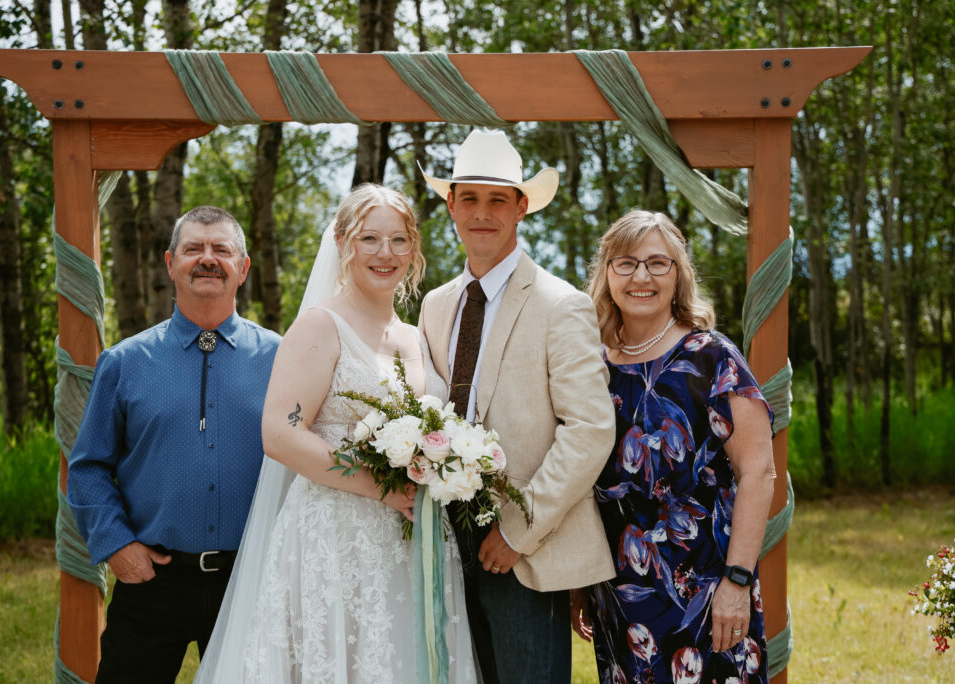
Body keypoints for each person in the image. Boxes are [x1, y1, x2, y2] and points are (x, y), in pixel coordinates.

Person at [194, 183, 478, 683]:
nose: (385, 253)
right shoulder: (319, 326)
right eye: (370, 239)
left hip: (413, 538)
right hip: (334, 538)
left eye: (399, 240)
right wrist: (382, 488)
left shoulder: (416, 336)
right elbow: (280, 434)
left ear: (414, 249)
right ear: (344, 243)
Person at [418, 129, 618, 683]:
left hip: (525, 551)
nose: (482, 214)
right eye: (470, 199)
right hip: (443, 545)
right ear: (451, 205)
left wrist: (516, 531)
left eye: (498, 199)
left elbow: (590, 430)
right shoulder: (436, 306)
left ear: (522, 207)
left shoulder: (562, 305)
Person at [67, 206, 281, 683]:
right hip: (150, 581)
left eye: (221, 250)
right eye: (194, 249)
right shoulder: (124, 362)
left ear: (242, 268)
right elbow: (88, 467)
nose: (208, 259)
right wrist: (117, 545)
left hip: (248, 583)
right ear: (170, 263)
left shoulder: (281, 359)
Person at [573, 210, 777, 683]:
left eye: (657, 263)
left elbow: (758, 473)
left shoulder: (711, 357)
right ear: (607, 273)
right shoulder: (590, 364)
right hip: (620, 597)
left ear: (678, 274)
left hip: (708, 592)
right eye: (625, 263)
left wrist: (737, 581)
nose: (641, 276)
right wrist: (580, 586)